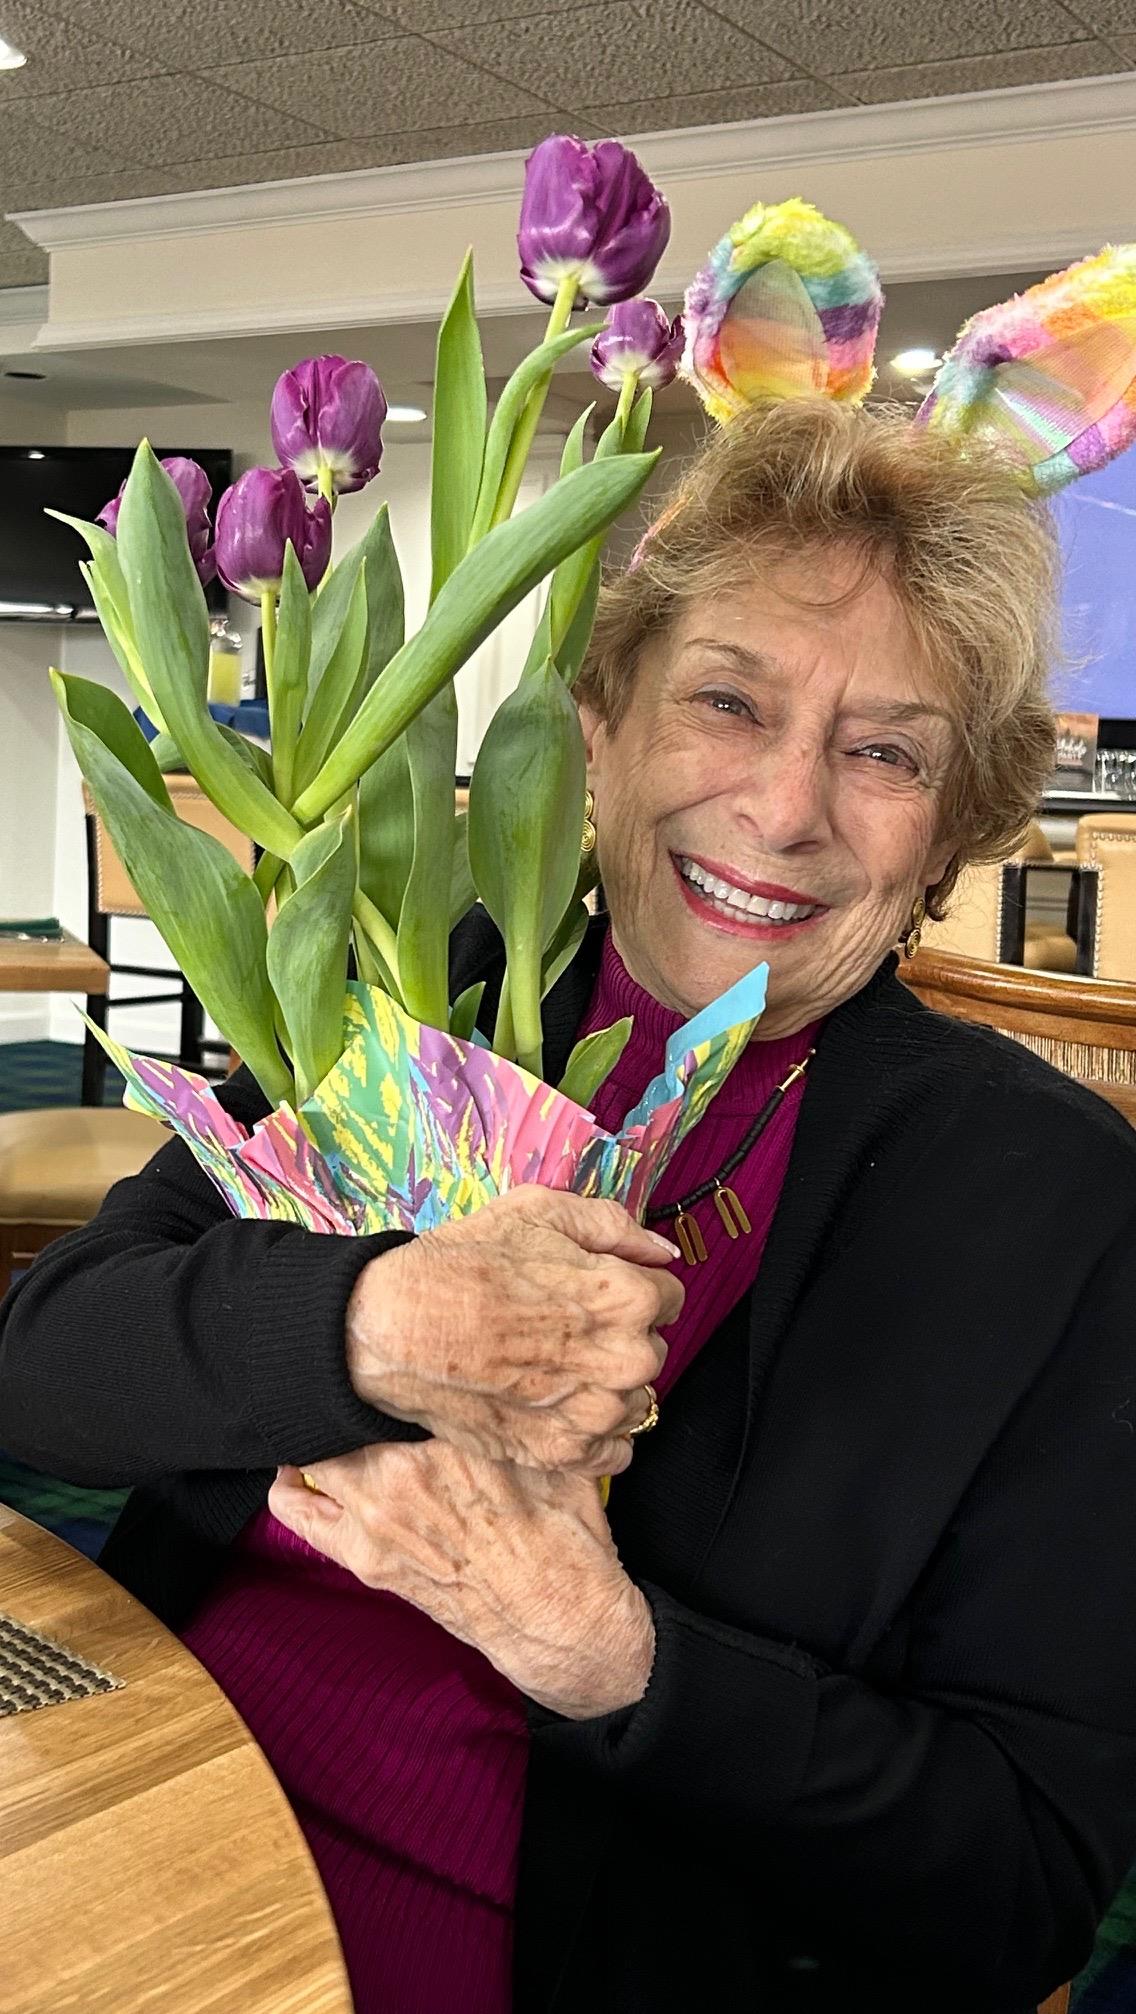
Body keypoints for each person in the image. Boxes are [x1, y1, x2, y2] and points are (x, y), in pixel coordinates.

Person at [3, 398, 1135, 2014]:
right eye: (727, 703)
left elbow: (1018, 1884)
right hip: (153, 1786)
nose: (788, 806)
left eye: (885, 750)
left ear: (949, 831)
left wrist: (611, 1657)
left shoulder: (1050, 1210)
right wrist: (373, 1318)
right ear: (597, 724)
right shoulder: (406, 987)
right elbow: (43, 1362)